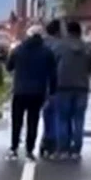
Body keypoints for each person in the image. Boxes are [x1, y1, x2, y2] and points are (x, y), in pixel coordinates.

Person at [5, 24, 57, 161]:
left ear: (28, 35)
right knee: (32, 122)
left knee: (17, 121)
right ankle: (29, 151)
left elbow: (9, 67)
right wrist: (52, 91)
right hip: (38, 92)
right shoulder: (47, 52)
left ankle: (14, 148)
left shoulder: (18, 49)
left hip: (19, 91)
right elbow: (53, 74)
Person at [54, 20, 91, 160]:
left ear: (68, 31)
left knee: (62, 118)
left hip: (63, 86)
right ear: (79, 31)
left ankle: (63, 150)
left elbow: (53, 64)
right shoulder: (87, 48)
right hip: (82, 87)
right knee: (79, 119)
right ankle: (76, 150)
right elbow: (89, 68)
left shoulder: (60, 46)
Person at [39, 19, 62, 158]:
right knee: (55, 114)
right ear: (58, 31)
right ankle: (52, 142)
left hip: (41, 84)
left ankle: (46, 140)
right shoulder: (59, 45)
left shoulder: (43, 44)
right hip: (57, 84)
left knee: (47, 114)